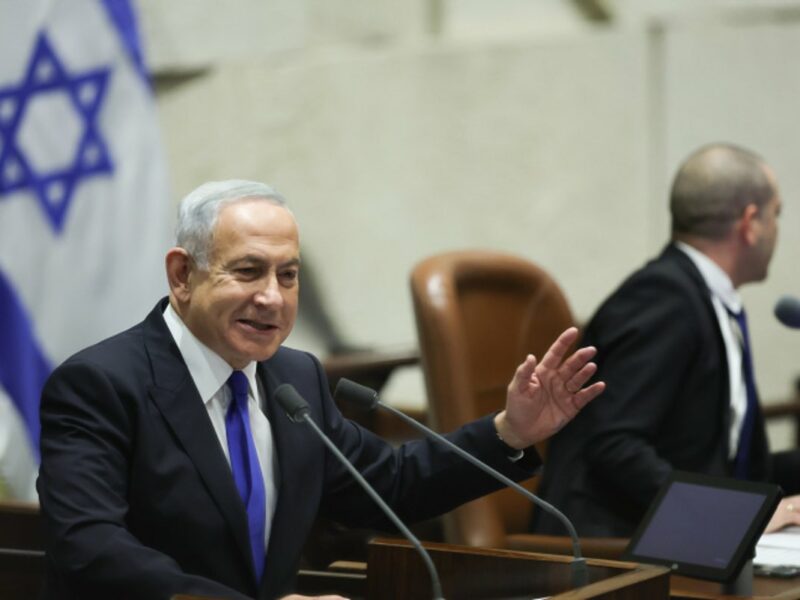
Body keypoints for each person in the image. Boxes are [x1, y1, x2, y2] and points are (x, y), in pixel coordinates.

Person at [37, 180, 605, 600]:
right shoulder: (100, 385)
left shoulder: (293, 378)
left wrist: (510, 432)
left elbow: (392, 484)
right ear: (183, 275)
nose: (273, 298)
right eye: (248, 271)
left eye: (288, 275)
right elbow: (90, 550)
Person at [531, 143, 800, 539]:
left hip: (670, 534)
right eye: (776, 215)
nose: (778, 229)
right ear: (750, 222)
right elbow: (614, 444)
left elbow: (722, 464)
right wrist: (733, 517)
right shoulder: (664, 298)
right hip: (609, 550)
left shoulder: (703, 299)